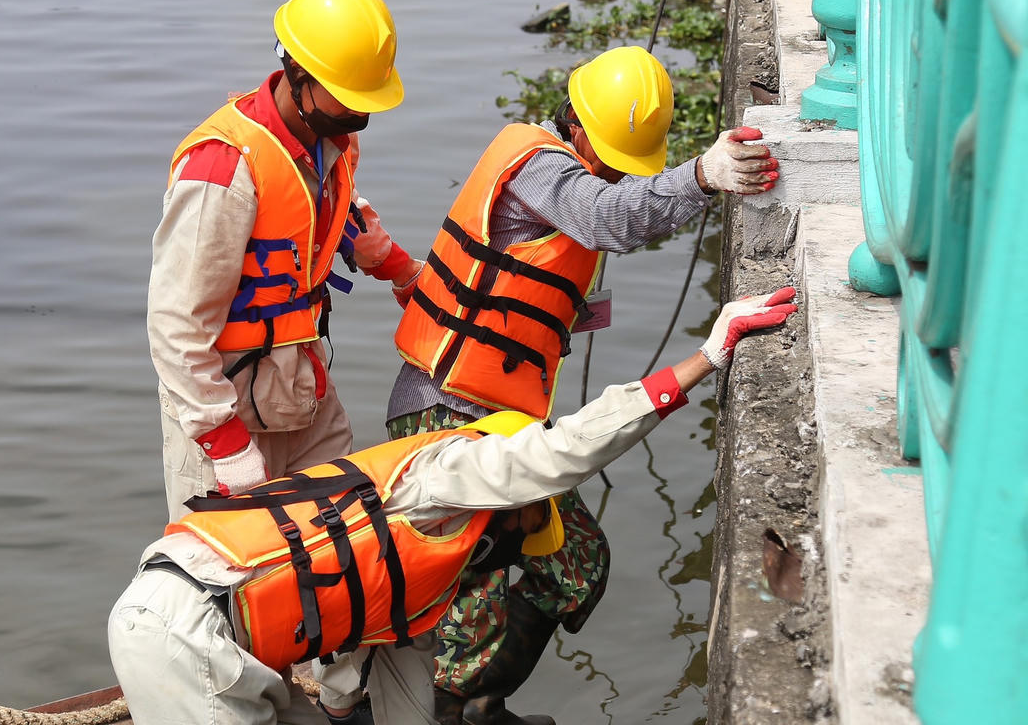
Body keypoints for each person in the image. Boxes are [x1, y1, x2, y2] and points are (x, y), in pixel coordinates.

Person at [108, 288, 798, 725]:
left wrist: (343, 704)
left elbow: (379, 684)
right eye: (533, 516)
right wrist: (706, 356)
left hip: (217, 633)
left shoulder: (414, 590)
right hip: (184, 622)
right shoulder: (444, 473)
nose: (523, 535)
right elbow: (569, 447)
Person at [385, 45, 781, 724]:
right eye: (616, 163)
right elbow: (608, 217)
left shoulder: (563, 170)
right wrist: (704, 176)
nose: (617, 177)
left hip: (496, 417)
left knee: (575, 565)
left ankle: (478, 705)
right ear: (579, 127)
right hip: (442, 415)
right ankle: (455, 708)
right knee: (471, 589)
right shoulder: (540, 165)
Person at [146, 0, 419, 722]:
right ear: (295, 74)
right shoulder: (222, 166)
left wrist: (390, 260)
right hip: (222, 401)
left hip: (301, 379)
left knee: (353, 540)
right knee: (227, 580)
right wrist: (224, 441)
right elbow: (174, 327)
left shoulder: (328, 141)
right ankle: (238, 707)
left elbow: (327, 217)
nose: (361, 110)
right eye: (345, 95)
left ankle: (339, 702)